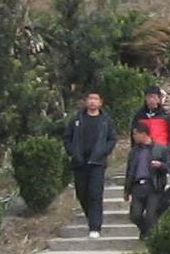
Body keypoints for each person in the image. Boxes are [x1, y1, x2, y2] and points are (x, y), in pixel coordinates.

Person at [64, 92, 118, 239]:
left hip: (97, 163)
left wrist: (103, 152)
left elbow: (112, 139)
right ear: (85, 101)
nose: (92, 102)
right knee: (82, 193)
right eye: (90, 99)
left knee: (95, 194)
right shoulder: (77, 119)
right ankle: (91, 217)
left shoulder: (106, 120)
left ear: (100, 102)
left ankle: (95, 226)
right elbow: (67, 138)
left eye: (95, 99)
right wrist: (73, 152)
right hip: (79, 162)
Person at [124, 119, 170, 237]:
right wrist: (127, 190)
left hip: (153, 186)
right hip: (137, 186)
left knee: (151, 215)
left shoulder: (160, 149)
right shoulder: (134, 152)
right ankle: (145, 230)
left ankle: (151, 237)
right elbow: (129, 171)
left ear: (143, 134)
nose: (134, 137)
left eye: (135, 134)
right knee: (135, 215)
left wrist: (160, 165)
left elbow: (169, 168)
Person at [134, 84, 170, 150]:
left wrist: (167, 150)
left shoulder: (166, 116)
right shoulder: (139, 116)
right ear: (145, 98)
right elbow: (134, 135)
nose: (151, 100)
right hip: (143, 152)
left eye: (154, 97)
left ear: (159, 99)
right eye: (149, 97)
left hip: (161, 152)